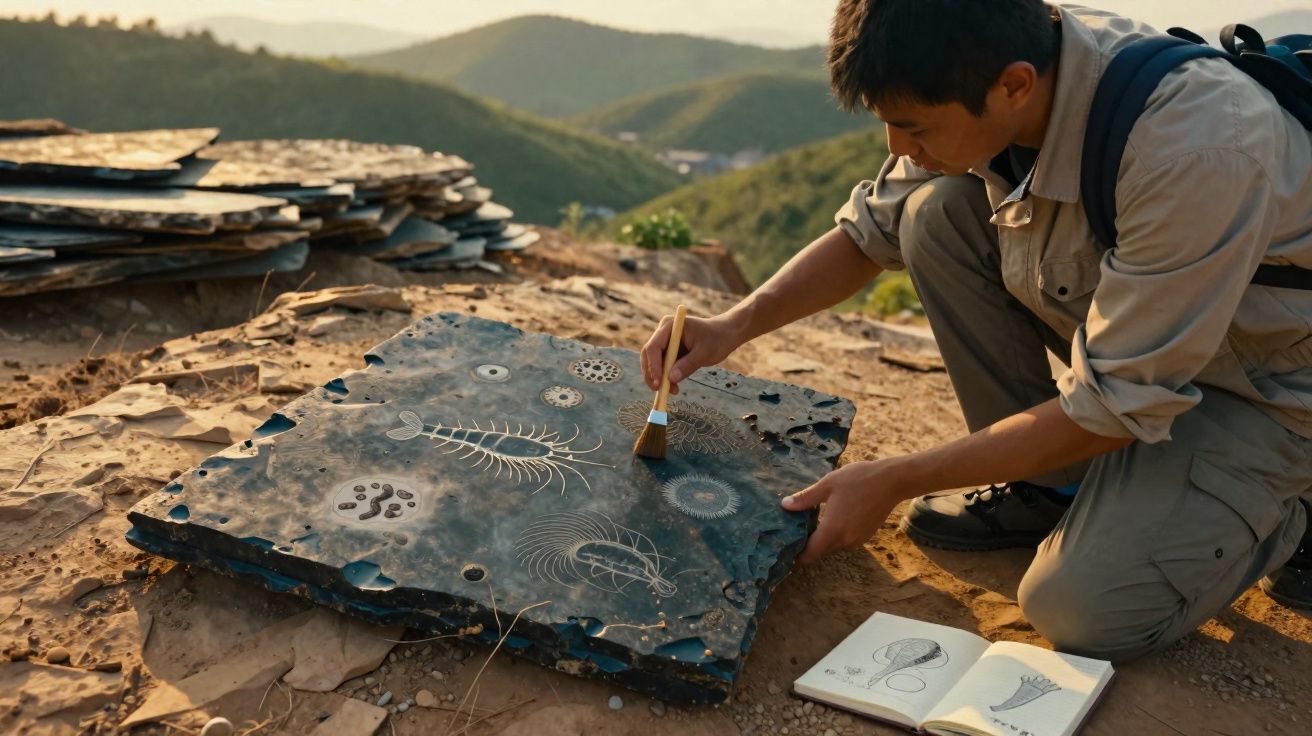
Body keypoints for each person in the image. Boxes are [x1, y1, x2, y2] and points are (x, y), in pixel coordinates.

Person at [640, 0, 1312, 662]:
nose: (899, 149)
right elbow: (867, 233)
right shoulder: (989, 62)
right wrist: (733, 324)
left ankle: (1293, 503)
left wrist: (893, 478)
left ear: (1015, 86)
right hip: (1159, 343)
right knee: (933, 213)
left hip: (1266, 387)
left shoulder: (1194, 149)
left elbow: (1112, 406)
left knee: (1079, 608)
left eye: (914, 128)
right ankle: (1052, 488)